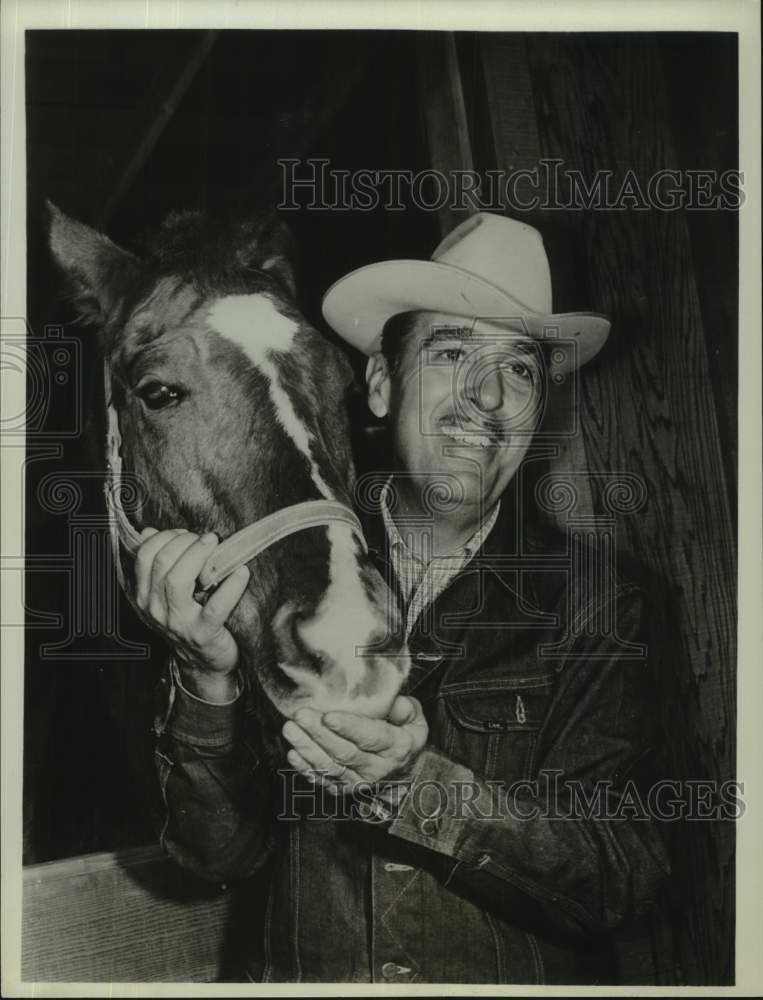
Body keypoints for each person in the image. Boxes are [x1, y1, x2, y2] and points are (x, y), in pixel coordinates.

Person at [143, 212, 670, 984]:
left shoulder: (598, 605)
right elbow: (215, 853)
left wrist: (414, 787)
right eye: (451, 351)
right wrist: (206, 679)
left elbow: (619, 875)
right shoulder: (279, 573)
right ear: (383, 387)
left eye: (519, 368)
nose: (486, 397)